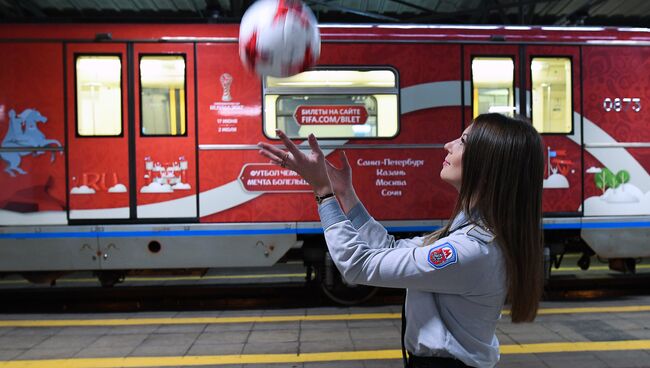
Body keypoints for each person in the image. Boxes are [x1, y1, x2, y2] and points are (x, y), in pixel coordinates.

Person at [257, 113, 545, 368]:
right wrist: (345, 194)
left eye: (463, 142)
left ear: (487, 166)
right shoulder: (469, 233)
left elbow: (358, 266)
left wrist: (323, 192)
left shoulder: (469, 250)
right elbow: (390, 249)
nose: (448, 145)